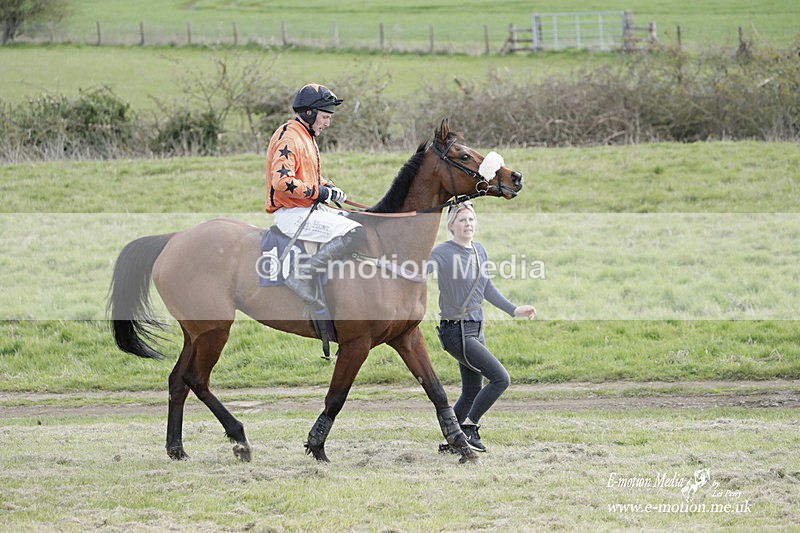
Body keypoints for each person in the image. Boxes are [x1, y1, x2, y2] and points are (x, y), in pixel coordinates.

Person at [428, 201, 536, 452]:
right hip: (456, 331)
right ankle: (468, 427)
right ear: (451, 225)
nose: (468, 224)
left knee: (472, 389)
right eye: (463, 220)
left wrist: (514, 310)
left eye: (472, 219)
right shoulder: (441, 252)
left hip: (476, 329)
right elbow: (419, 273)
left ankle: (452, 440)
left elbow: (486, 287)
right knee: (500, 378)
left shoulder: (479, 251)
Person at [265, 83, 365, 307]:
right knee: (356, 232)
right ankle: (302, 276)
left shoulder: (304, 136)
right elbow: (281, 182)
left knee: (361, 219)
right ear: (309, 113)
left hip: (306, 208)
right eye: (325, 117)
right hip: (292, 213)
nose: (328, 123)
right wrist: (320, 192)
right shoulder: (289, 138)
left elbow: (308, 177)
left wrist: (329, 187)